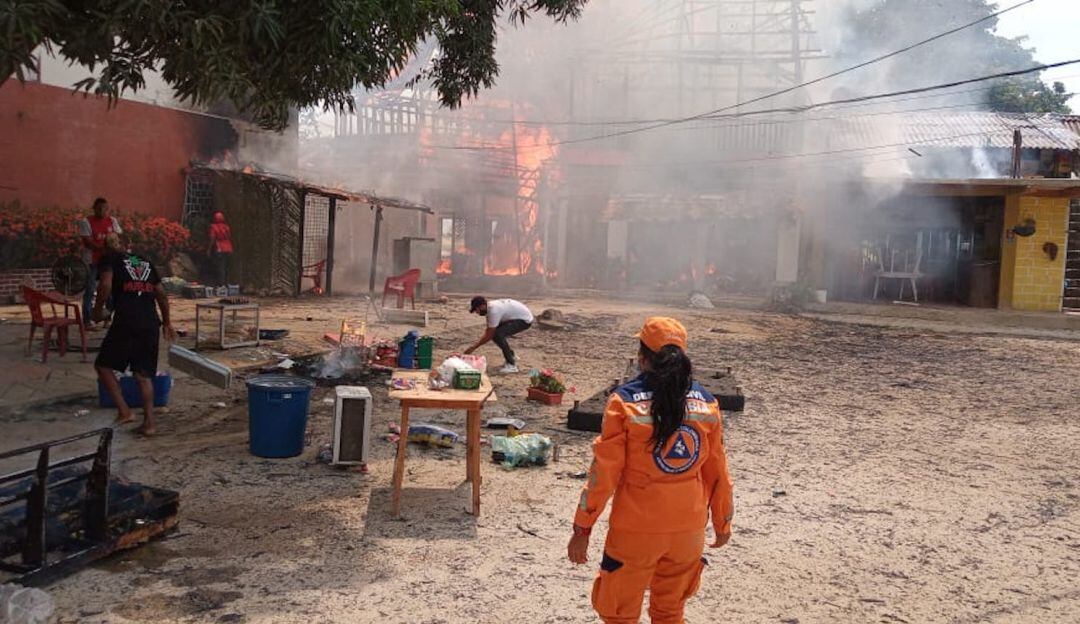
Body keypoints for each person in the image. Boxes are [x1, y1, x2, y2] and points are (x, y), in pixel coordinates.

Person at [567, 317, 733, 624]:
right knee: (670, 612)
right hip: (689, 529)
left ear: (642, 356)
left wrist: (582, 527)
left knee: (619, 614)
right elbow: (718, 472)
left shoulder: (625, 402)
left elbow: (604, 474)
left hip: (636, 530)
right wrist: (723, 522)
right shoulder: (707, 403)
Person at [93, 233, 176, 436]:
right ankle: (149, 424)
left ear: (105, 247)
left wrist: (97, 310)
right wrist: (167, 322)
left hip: (126, 321)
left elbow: (105, 284)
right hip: (149, 323)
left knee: (103, 365)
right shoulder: (143, 260)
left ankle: (125, 411)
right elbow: (162, 295)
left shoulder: (109, 259)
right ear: (126, 245)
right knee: (143, 374)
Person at [77, 197, 122, 329]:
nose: (103, 211)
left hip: (108, 260)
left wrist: (115, 247)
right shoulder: (86, 222)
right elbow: (87, 242)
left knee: (108, 288)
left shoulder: (112, 221)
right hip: (92, 261)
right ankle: (87, 319)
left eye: (105, 208)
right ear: (94, 208)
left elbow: (117, 236)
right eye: (100, 208)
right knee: (90, 289)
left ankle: (107, 316)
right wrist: (104, 248)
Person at [464, 296, 534, 373]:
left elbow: (489, 335)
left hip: (525, 320)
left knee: (497, 334)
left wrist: (473, 347)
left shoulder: (493, 311)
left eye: (476, 310)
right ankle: (511, 355)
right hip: (517, 317)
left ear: (482, 306)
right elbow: (489, 330)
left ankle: (512, 365)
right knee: (496, 334)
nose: (477, 313)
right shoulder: (490, 308)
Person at [207, 211, 234, 286]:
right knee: (227, 267)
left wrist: (209, 249)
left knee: (220, 267)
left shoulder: (213, 227)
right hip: (229, 248)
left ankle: (221, 285)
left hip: (219, 248)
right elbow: (229, 237)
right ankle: (227, 284)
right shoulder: (226, 227)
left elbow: (212, 238)